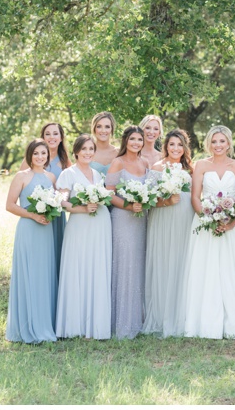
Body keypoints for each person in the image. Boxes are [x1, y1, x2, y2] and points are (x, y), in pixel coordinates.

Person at [180, 125, 235, 339]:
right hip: (205, 225)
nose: (218, 145)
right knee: (207, 271)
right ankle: (205, 323)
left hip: (233, 227)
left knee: (233, 270)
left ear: (228, 143)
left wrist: (230, 222)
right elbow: (195, 197)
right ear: (208, 143)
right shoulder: (201, 165)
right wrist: (209, 219)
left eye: (222, 141)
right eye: (214, 141)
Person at [55, 134, 112, 339]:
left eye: (91, 149)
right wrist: (81, 208)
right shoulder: (68, 174)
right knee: (78, 268)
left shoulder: (97, 175)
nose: (88, 152)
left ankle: (96, 324)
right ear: (76, 151)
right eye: (84, 149)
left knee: (96, 268)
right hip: (79, 225)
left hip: (100, 225)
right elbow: (61, 201)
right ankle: (75, 324)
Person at [142, 129, 195, 337]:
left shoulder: (190, 168)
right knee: (165, 262)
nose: (176, 148)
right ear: (166, 146)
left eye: (180, 145)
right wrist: (166, 201)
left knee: (182, 263)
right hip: (163, 219)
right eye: (172, 144)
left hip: (185, 219)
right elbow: (149, 200)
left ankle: (181, 315)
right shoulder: (157, 167)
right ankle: (163, 315)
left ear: (185, 147)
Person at [5, 139, 58, 343]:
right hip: (29, 229)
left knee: (44, 274)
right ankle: (26, 326)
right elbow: (10, 205)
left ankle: (45, 324)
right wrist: (33, 215)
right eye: (36, 153)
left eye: (43, 153)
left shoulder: (51, 177)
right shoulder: (21, 176)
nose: (40, 157)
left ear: (47, 156)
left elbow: (54, 203)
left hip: (46, 231)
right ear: (30, 155)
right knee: (29, 273)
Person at [106, 125, 149, 340]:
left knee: (138, 265)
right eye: (132, 139)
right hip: (122, 219)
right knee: (123, 266)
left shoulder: (145, 163)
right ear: (126, 140)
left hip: (141, 221)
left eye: (139, 139)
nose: (136, 143)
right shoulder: (118, 162)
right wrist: (128, 205)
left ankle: (137, 319)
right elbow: (108, 193)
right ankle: (120, 323)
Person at [18, 122, 70, 281]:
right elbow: (22, 186)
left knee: (55, 254)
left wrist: (60, 200)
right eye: (48, 133)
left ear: (61, 138)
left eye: (56, 134)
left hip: (56, 215)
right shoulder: (32, 158)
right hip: (35, 214)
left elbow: (68, 189)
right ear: (43, 136)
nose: (52, 137)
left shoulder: (65, 161)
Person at [89, 111, 119, 176]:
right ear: (94, 129)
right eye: (99, 126)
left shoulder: (119, 152)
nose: (103, 131)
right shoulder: (87, 151)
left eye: (107, 127)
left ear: (112, 129)